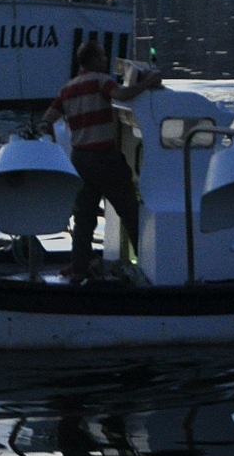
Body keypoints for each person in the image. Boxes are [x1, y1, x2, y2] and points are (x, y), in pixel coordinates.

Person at [40, 39, 162, 282]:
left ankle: (78, 270)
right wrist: (148, 83)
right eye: (103, 56)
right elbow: (122, 94)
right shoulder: (101, 80)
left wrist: (53, 144)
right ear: (94, 59)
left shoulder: (67, 89)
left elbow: (47, 120)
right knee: (129, 210)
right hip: (104, 157)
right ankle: (149, 265)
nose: (106, 60)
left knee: (84, 218)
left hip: (80, 159)